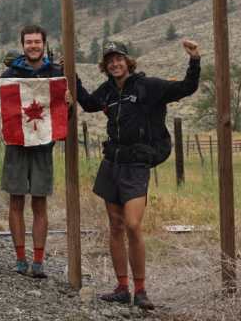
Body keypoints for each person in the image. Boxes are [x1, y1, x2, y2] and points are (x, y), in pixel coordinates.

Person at [89, 39, 200, 310]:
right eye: (110, 61)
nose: (115, 64)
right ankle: (121, 288)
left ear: (128, 61)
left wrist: (195, 59)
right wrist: (68, 76)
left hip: (136, 164)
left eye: (119, 59)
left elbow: (187, 87)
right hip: (112, 162)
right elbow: (87, 103)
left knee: (132, 224)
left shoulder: (148, 86)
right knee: (115, 225)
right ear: (105, 66)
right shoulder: (106, 91)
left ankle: (140, 290)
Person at [0, 25, 65, 278]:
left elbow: (64, 107)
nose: (33, 46)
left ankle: (38, 261)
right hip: (17, 144)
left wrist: (68, 100)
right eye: (29, 42)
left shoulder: (56, 73)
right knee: (16, 200)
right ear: (23, 45)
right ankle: (20, 258)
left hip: (44, 146)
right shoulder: (10, 74)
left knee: (39, 201)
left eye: (37, 42)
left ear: (44, 44)